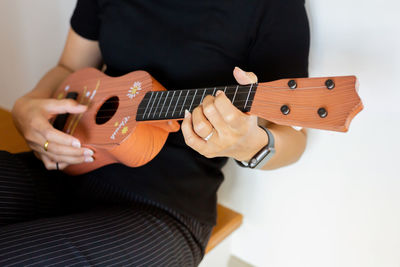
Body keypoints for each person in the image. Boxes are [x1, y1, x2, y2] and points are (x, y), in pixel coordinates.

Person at [0, 0, 309, 266]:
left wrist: (249, 146)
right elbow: (69, 68)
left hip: (162, 212)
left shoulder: (272, 6)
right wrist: (27, 107)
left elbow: (293, 137)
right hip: (68, 165)